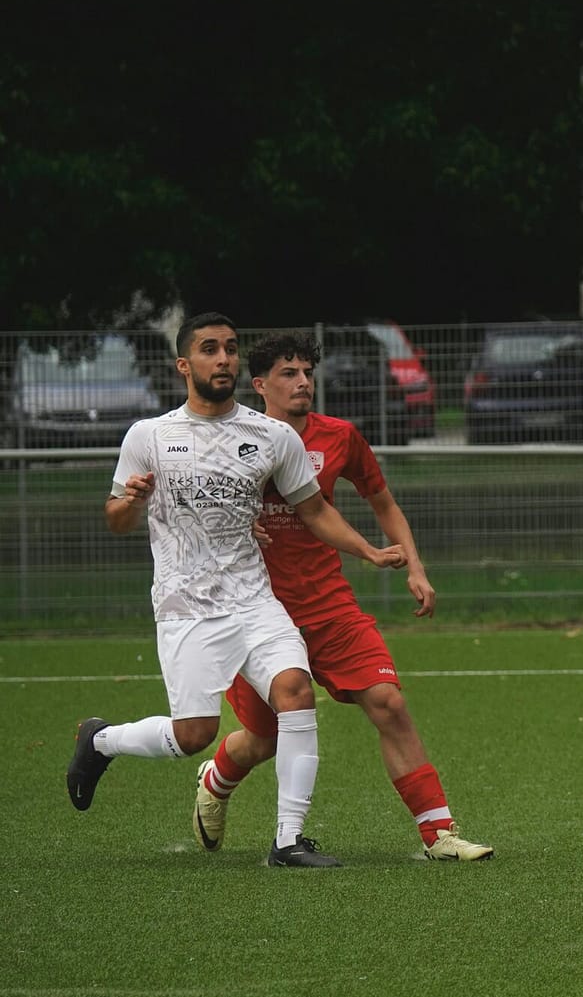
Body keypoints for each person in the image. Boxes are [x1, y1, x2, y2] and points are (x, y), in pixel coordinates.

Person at [66, 313, 407, 868]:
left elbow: (315, 509)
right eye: (208, 349)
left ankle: (288, 841)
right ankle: (101, 740)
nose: (222, 358)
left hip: (255, 600)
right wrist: (130, 500)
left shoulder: (271, 435)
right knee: (194, 735)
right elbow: (117, 521)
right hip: (187, 607)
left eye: (228, 348)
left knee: (294, 691)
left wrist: (367, 550)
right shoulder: (149, 436)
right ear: (185, 365)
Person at [190, 331, 494, 863]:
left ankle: (438, 834)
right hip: (256, 609)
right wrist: (237, 527)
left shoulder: (339, 437)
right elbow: (193, 509)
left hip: (329, 604)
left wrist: (414, 567)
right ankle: (216, 780)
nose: (303, 382)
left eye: (308, 372)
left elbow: (383, 502)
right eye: (289, 373)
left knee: (389, 703)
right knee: (263, 740)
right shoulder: (229, 439)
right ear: (260, 384)